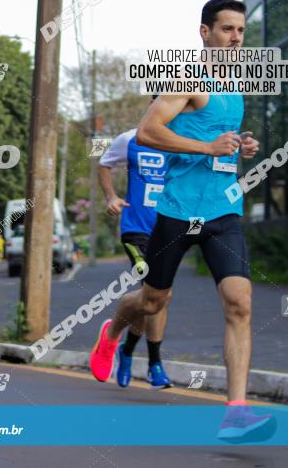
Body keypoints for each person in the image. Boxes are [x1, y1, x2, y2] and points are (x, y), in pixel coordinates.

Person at [88, 0, 273, 442]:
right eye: (227, 30)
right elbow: (150, 131)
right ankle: (113, 328)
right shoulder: (188, 77)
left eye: (241, 31)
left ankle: (236, 414)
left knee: (240, 303)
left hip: (224, 210)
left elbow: (215, 135)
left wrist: (240, 145)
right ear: (205, 33)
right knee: (152, 303)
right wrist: (208, 149)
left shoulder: (236, 85)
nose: (235, 39)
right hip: (176, 209)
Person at [98, 98, 173, 388]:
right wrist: (110, 197)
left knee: (156, 299)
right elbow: (105, 164)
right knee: (154, 291)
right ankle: (154, 363)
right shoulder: (129, 138)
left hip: (169, 228)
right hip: (137, 229)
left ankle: (128, 352)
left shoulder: (185, 142)